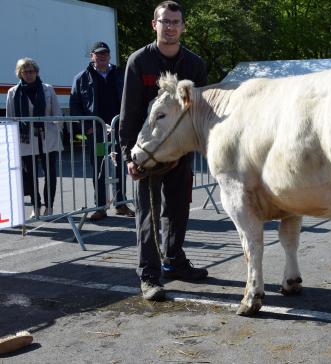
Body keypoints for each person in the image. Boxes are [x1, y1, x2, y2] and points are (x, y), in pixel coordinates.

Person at [119, 0, 209, 301]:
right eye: (164, 21)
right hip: (146, 153)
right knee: (148, 214)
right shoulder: (139, 61)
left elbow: (202, 112)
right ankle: (149, 275)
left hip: (180, 152)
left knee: (178, 209)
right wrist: (127, 154)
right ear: (154, 24)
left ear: (183, 26)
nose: (169, 27)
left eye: (175, 22)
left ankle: (175, 260)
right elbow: (129, 112)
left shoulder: (194, 65)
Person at [70, 41, 135, 220]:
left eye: (105, 53)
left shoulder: (120, 74)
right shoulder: (82, 77)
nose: (102, 56)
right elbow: (75, 105)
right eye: (98, 54)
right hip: (97, 133)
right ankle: (100, 207)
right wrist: (87, 128)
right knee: (99, 169)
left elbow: (130, 98)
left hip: (118, 131)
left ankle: (120, 204)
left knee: (121, 166)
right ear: (92, 56)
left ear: (109, 55)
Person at [5, 58, 62, 219]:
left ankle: (49, 207)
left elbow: (57, 114)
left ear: (36, 72)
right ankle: (36, 206)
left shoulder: (48, 89)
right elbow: (10, 118)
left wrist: (57, 130)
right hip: (25, 140)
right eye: (25, 71)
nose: (29, 74)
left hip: (47, 137)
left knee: (50, 173)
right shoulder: (13, 92)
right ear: (20, 73)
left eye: (32, 71)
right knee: (30, 175)